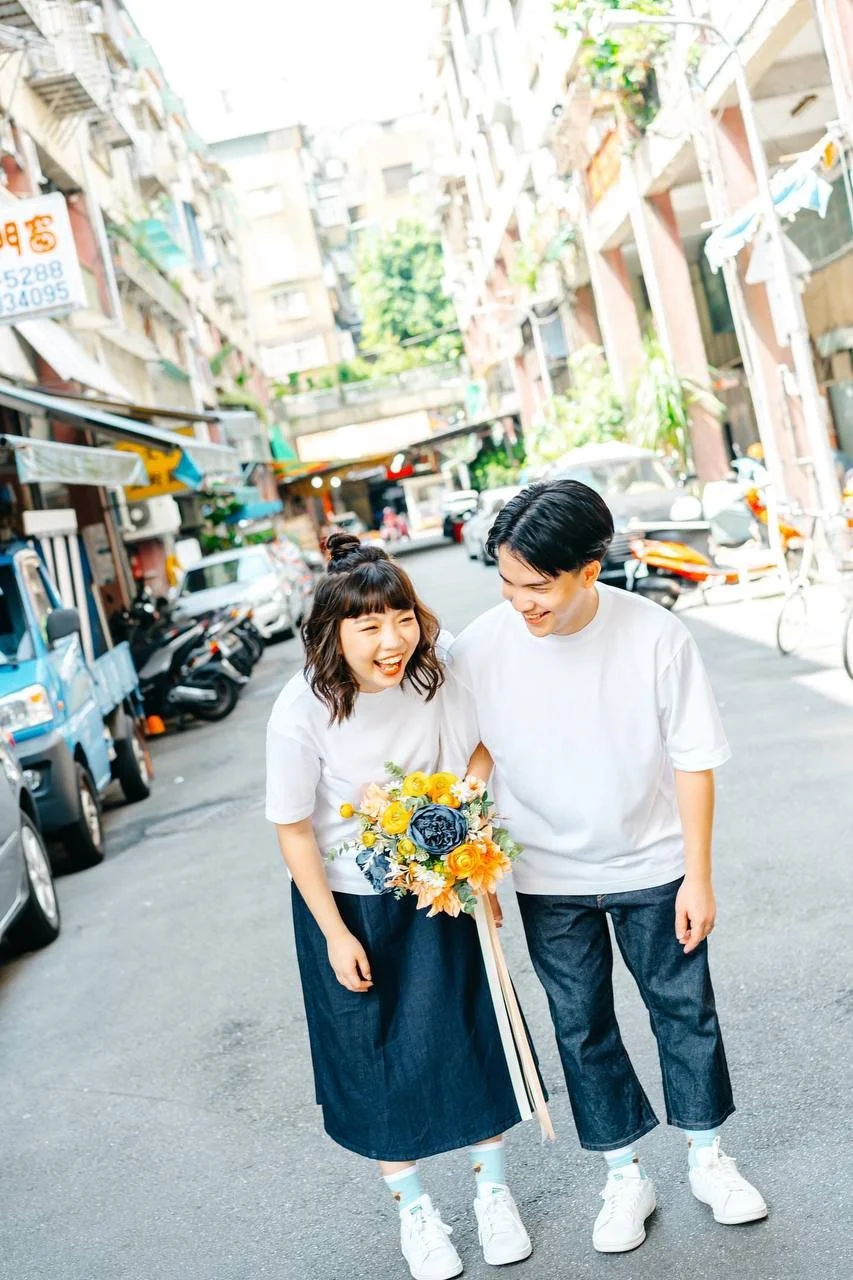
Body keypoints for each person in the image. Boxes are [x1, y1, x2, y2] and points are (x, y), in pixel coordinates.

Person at [444, 479, 767, 1255]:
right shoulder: (481, 645)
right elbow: (470, 753)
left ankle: (707, 1159)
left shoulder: (654, 635)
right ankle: (623, 1176)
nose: (519, 602)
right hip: (546, 877)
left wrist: (698, 875)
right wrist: (471, 861)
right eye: (506, 583)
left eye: (536, 586)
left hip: (652, 863)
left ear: (588, 571)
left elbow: (693, 760)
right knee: (580, 1025)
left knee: (682, 1011)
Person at [265, 532, 533, 1280]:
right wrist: (333, 934)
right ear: (332, 633)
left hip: (441, 887)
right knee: (374, 1056)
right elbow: (293, 829)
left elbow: (482, 750)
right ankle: (415, 1212)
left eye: (403, 619)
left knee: (473, 1032)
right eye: (370, 626)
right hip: (351, 905)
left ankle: (492, 1194)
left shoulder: (433, 676)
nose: (394, 641)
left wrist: (467, 841)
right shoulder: (300, 711)